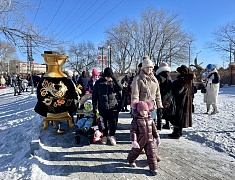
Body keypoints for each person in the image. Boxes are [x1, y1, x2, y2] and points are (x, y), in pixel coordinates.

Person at [127, 100, 161, 176]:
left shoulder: (150, 119)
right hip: (140, 141)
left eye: (145, 110)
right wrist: (134, 141)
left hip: (149, 141)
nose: (144, 112)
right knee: (135, 152)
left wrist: (157, 138)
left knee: (151, 154)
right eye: (141, 111)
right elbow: (133, 132)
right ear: (138, 111)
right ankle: (130, 160)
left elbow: (154, 130)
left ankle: (153, 168)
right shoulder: (136, 121)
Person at [92, 67, 122, 146]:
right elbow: (94, 95)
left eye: (110, 76)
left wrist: (114, 79)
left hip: (113, 106)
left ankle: (111, 135)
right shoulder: (98, 83)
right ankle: (104, 135)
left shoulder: (114, 82)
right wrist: (94, 106)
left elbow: (120, 88)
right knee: (103, 123)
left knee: (113, 123)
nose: (108, 78)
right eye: (107, 76)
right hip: (102, 107)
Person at [131, 56, 163, 128]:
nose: (149, 69)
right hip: (142, 107)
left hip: (152, 107)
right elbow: (135, 94)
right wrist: (135, 107)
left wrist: (159, 106)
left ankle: (150, 138)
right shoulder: (138, 79)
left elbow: (158, 94)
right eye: (147, 67)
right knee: (143, 127)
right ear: (143, 68)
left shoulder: (154, 79)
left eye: (151, 67)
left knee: (152, 125)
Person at [168, 65, 194, 139]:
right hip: (186, 100)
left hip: (180, 101)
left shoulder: (182, 80)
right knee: (181, 117)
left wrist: (172, 87)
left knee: (178, 117)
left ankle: (176, 133)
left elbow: (178, 91)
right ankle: (179, 132)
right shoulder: (189, 79)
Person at [155, 62, 173, 130]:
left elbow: (157, 86)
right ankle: (167, 124)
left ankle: (159, 125)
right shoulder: (169, 76)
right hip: (168, 95)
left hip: (161, 94)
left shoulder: (159, 76)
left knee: (159, 109)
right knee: (167, 109)